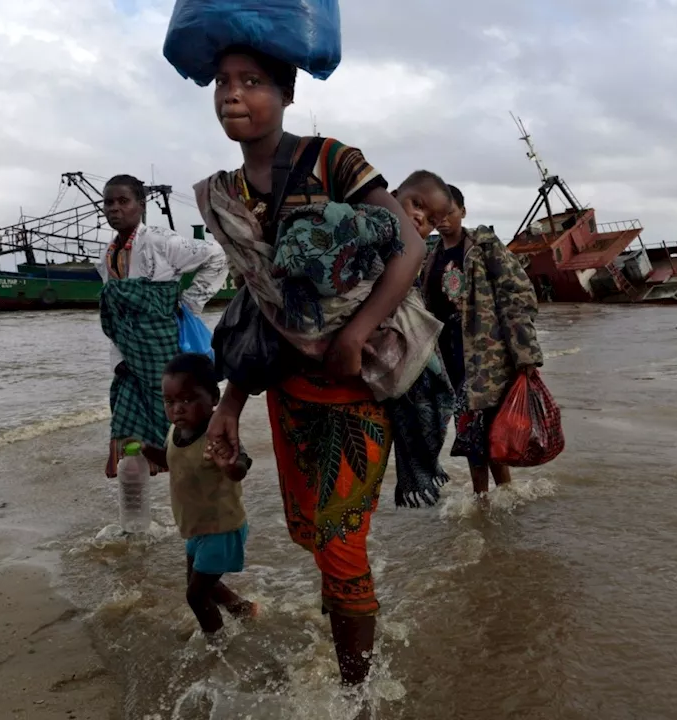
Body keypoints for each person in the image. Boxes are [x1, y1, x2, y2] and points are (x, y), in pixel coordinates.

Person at [191, 45, 451, 686]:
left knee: (339, 545)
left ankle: (354, 696)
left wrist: (356, 331)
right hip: (288, 392)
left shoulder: (331, 159)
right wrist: (229, 404)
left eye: (253, 81)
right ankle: (346, 639)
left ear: (287, 95)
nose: (234, 94)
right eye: (223, 81)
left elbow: (410, 245)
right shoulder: (226, 194)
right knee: (315, 537)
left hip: (359, 384)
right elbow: (259, 308)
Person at [96, 174, 228, 478]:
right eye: (108, 202)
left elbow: (217, 256)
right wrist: (118, 360)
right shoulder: (106, 255)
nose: (114, 208)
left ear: (140, 206)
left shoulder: (160, 241)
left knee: (172, 411)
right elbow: (115, 315)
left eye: (123, 201)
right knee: (128, 417)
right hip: (129, 353)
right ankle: (146, 491)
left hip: (160, 345)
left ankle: (197, 473)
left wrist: (191, 303)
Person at [424, 184, 543, 494]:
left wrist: (526, 354)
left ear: (463, 211)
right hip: (450, 355)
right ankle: (489, 501)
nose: (443, 219)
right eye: (437, 214)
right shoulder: (431, 256)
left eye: (450, 212)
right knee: (471, 430)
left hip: (486, 356)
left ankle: (497, 497)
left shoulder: (484, 247)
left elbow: (517, 295)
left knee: (485, 430)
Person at [142, 353, 256, 638]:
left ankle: (218, 646)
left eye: (187, 400)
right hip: (196, 528)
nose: (177, 409)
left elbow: (240, 464)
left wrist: (231, 466)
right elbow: (176, 461)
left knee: (195, 595)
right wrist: (146, 451)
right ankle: (243, 609)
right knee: (203, 585)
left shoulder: (216, 436)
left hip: (221, 527)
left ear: (214, 398)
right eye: (170, 402)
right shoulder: (176, 431)